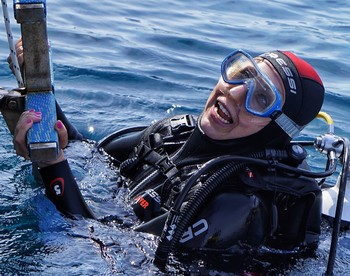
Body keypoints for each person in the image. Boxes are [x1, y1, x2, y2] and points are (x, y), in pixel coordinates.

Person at [10, 46, 325, 262]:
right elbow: (87, 154)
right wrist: (39, 86)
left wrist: (50, 164)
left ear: (276, 130)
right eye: (243, 73)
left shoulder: (238, 205)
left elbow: (105, 247)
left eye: (262, 98)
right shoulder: (173, 134)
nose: (237, 91)